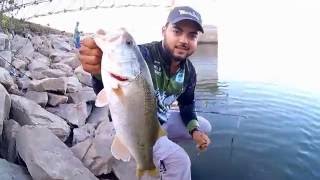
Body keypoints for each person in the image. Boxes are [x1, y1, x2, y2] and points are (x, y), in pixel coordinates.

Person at [80, 6, 212, 180]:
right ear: (164, 31)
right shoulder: (144, 55)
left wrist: (194, 131)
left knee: (204, 126)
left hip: (161, 120)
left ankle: (162, 146)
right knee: (181, 162)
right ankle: (154, 157)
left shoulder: (189, 71)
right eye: (177, 31)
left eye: (192, 35)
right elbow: (111, 87)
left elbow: (187, 104)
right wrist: (97, 72)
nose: (184, 40)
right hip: (137, 125)